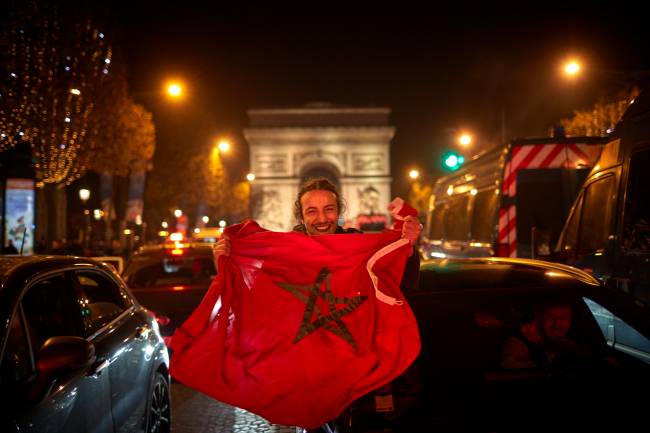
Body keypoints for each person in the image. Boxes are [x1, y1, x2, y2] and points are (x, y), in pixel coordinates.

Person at [213, 177, 422, 289]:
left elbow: (399, 283)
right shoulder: (282, 251)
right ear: (301, 217)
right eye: (311, 211)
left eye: (329, 209)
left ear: (338, 211)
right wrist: (223, 263)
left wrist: (407, 248)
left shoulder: (360, 244)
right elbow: (251, 290)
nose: (322, 219)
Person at [501, 301, 585, 370]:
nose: (557, 324)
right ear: (539, 318)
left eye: (564, 318)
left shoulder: (574, 345)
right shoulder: (517, 345)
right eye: (550, 317)